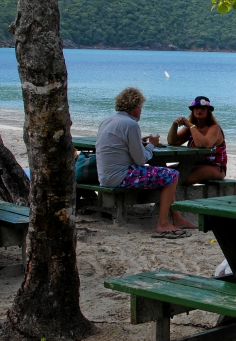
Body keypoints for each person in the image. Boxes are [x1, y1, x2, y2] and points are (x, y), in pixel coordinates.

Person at [96, 87, 197, 237]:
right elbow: (141, 160)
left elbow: (119, 148)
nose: (141, 111)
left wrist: (138, 142)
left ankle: (177, 218)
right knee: (172, 175)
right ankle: (163, 223)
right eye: (140, 107)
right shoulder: (131, 124)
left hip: (105, 176)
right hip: (119, 176)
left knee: (164, 175)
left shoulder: (108, 120)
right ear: (135, 108)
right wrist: (152, 145)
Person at [166, 96, 227, 185]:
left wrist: (191, 126)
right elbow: (173, 142)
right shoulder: (192, 127)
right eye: (196, 108)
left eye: (203, 108)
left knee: (182, 178)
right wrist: (174, 125)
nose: (199, 110)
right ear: (193, 110)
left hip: (215, 167)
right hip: (193, 163)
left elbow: (202, 144)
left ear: (208, 111)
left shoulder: (214, 128)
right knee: (165, 172)